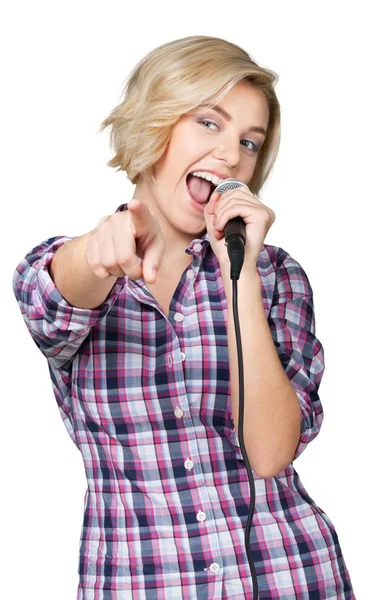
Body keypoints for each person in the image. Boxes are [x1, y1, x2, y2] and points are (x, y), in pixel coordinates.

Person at [12, 35, 355, 599]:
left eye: (249, 141)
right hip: (144, 583)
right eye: (209, 123)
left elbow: (271, 453)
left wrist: (237, 272)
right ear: (156, 124)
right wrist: (100, 249)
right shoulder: (69, 267)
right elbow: (60, 292)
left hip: (287, 576)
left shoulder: (276, 278)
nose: (231, 156)